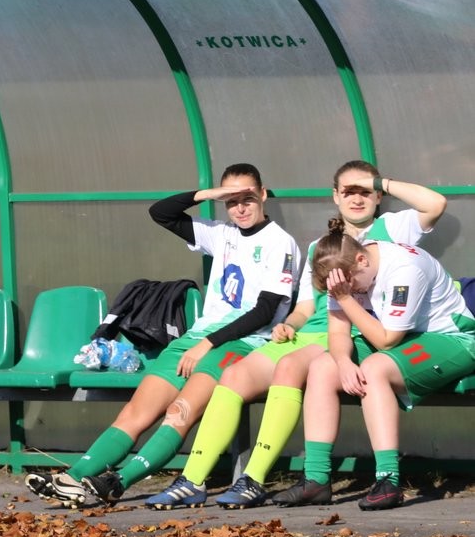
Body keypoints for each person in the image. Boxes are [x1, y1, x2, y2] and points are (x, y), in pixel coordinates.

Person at [146, 162, 446, 509]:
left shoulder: (393, 228)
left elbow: (435, 204)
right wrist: (290, 324)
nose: (356, 199)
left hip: (352, 332)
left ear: (378, 196)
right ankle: (192, 480)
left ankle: (254, 479)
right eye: (348, 191)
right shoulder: (320, 245)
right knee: (234, 375)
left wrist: (378, 181)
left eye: (365, 191)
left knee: (289, 366)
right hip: (312, 333)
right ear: (335, 196)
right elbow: (305, 306)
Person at [25, 164, 300, 507]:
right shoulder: (222, 233)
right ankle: (73, 478)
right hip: (197, 339)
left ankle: (117, 482)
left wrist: (208, 344)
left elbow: (265, 311)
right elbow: (161, 213)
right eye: (231, 201)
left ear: (263, 194)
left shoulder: (280, 243)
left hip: (241, 344)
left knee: (179, 411)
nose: (240, 208)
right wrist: (208, 195)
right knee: (136, 412)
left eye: (247, 198)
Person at [272, 219, 475, 510]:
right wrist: (343, 361)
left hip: (453, 338)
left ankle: (388, 481)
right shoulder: (343, 272)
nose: (352, 291)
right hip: (406, 336)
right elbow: (338, 332)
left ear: (362, 260)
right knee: (322, 367)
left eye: (352, 285)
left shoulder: (404, 269)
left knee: (375, 368)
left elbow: (386, 340)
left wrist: (346, 298)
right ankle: (315, 479)